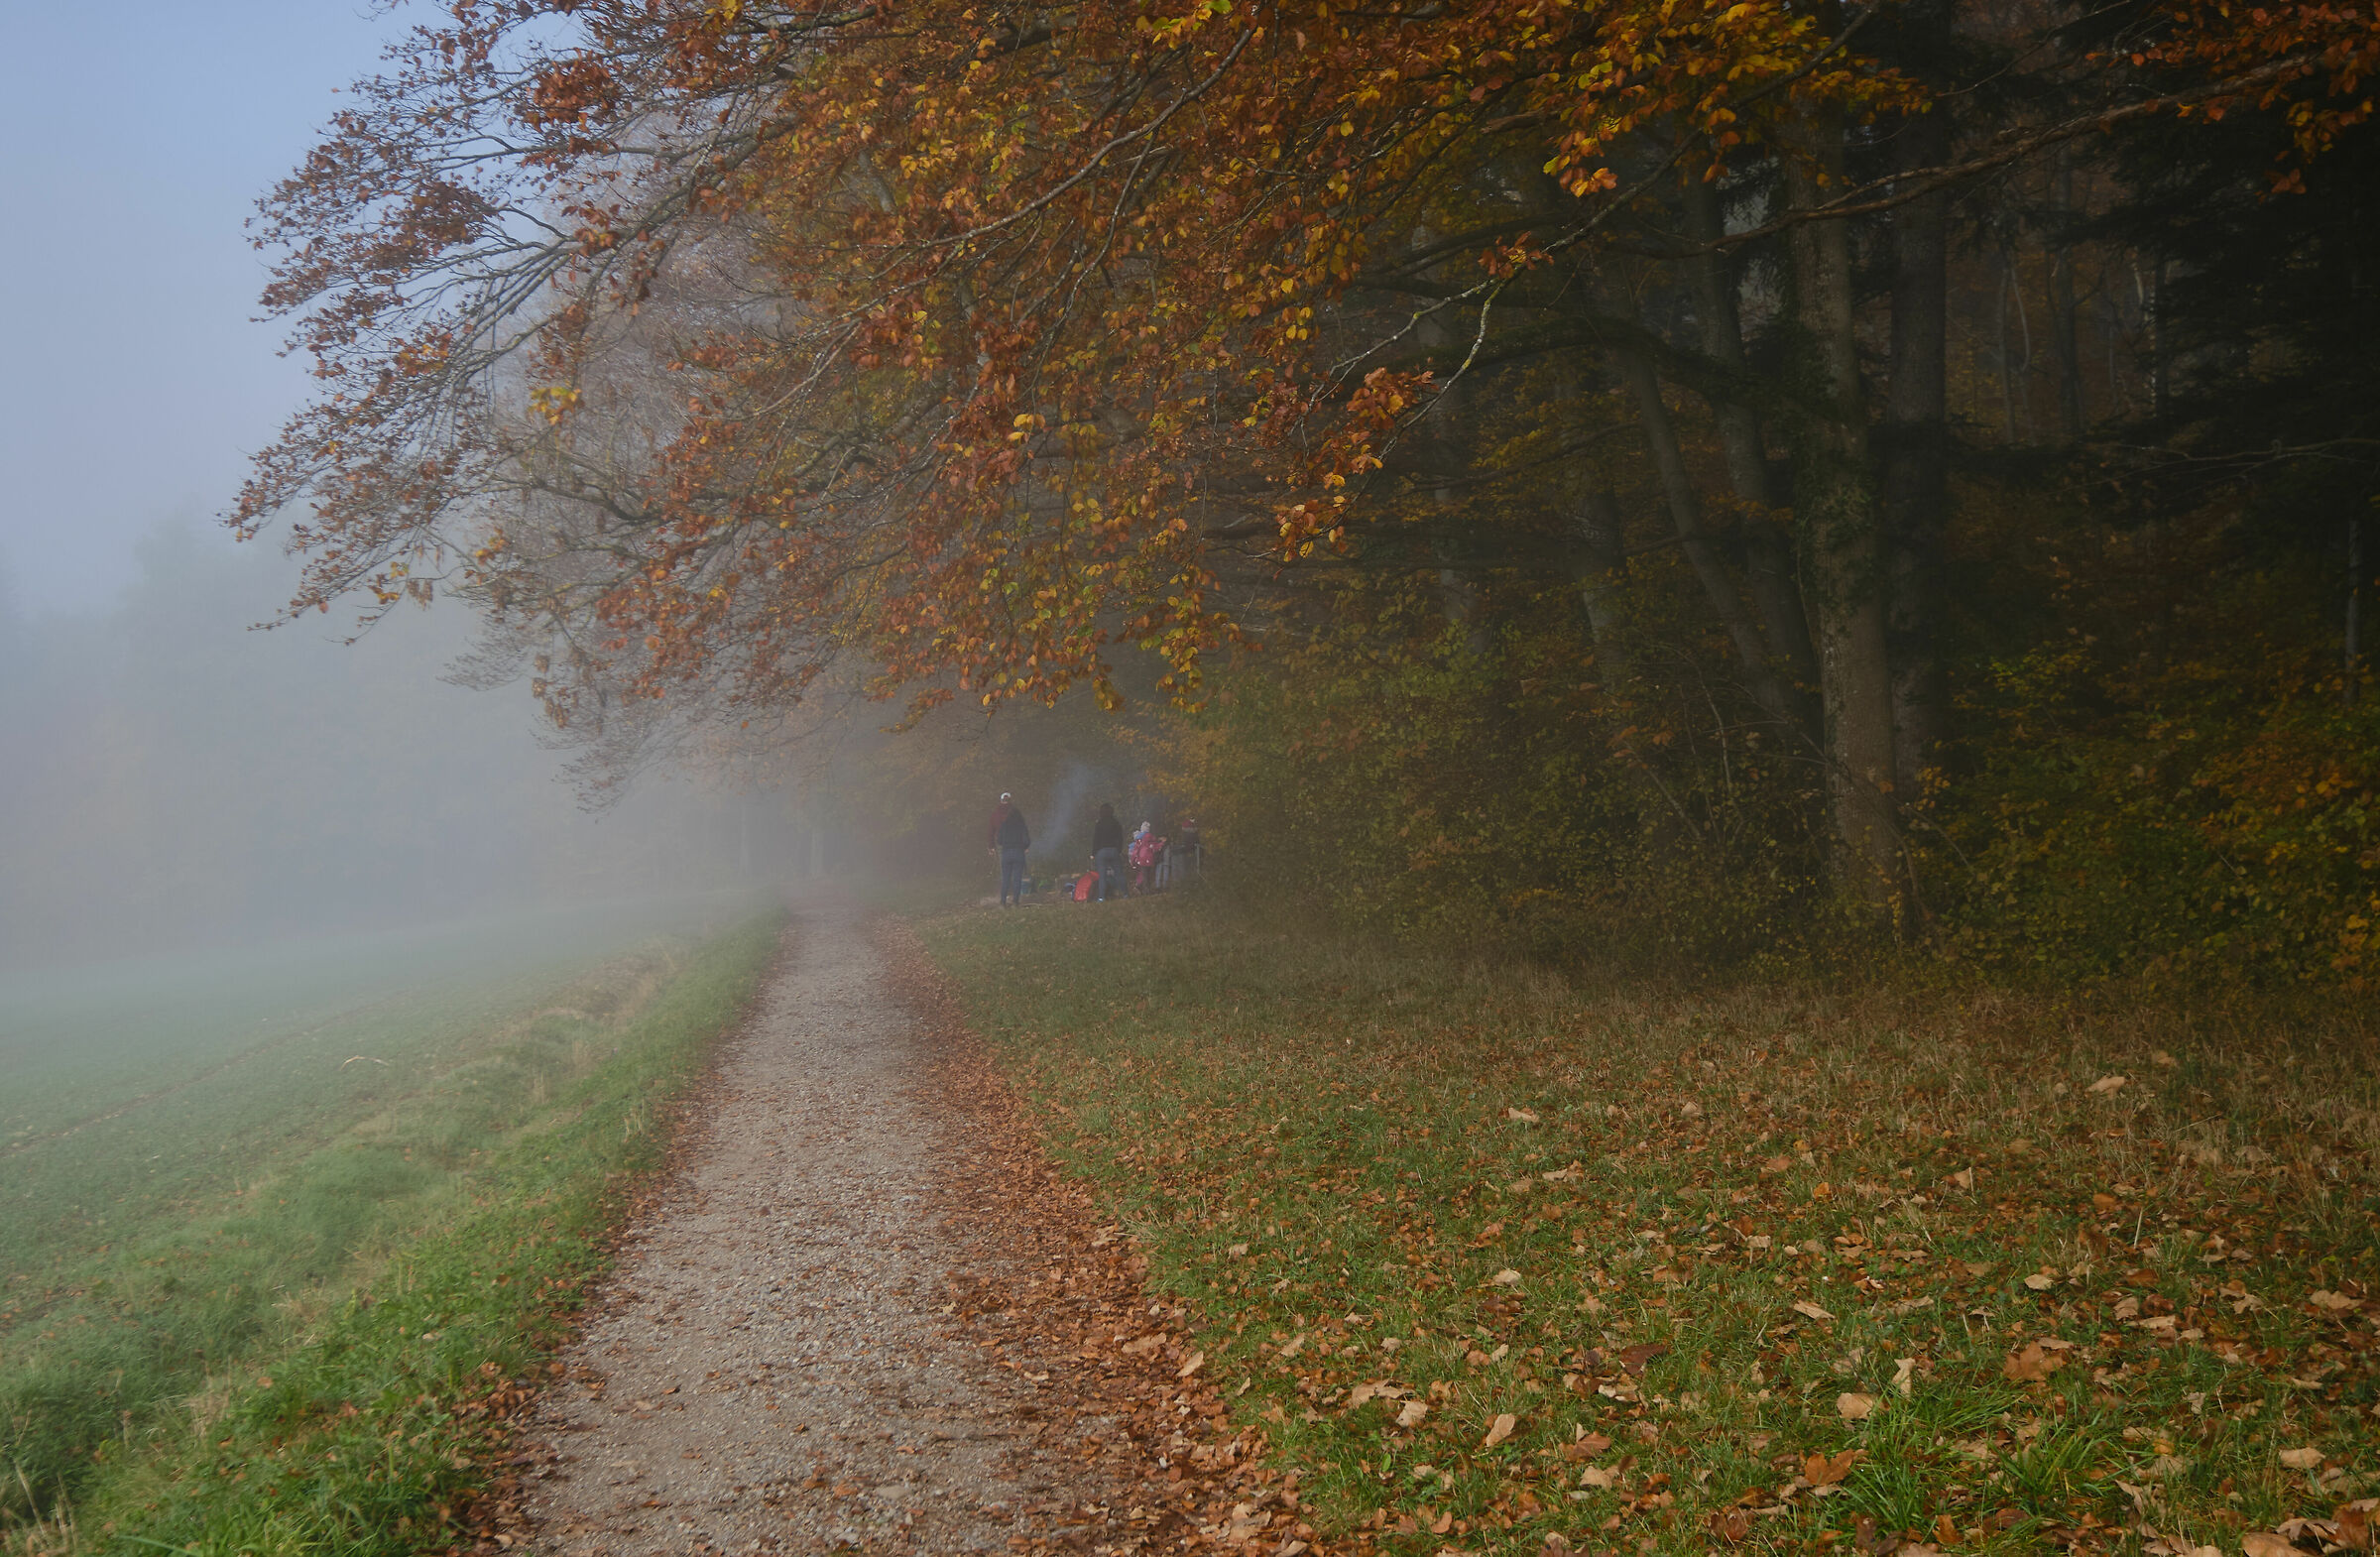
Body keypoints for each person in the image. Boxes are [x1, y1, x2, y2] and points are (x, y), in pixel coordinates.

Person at [995, 797, 1031, 906]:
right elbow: (1026, 840)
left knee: (1005, 879)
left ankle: (1002, 902)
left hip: (1006, 854)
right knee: (1017, 879)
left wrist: (1006, 844)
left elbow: (999, 840)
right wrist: (1025, 846)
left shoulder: (1004, 825)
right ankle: (1015, 902)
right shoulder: (1021, 825)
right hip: (1018, 853)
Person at [1091, 802, 1125, 901]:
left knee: (1102, 876)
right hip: (1114, 850)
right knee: (1119, 874)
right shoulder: (1116, 823)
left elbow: (1096, 839)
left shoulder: (1099, 824)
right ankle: (1125, 894)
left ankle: (1101, 897)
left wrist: (1093, 853)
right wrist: (1119, 850)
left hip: (1101, 852)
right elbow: (1120, 838)